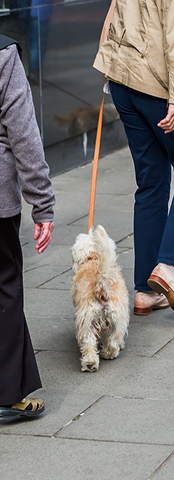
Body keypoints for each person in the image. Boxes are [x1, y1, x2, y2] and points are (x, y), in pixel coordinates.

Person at [94, 0, 174, 316]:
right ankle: (170, 267)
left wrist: (108, 59)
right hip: (159, 85)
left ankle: (147, 292)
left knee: (150, 181)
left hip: (125, 79)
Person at [0, 36, 55, 418]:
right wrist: (42, 203)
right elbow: (24, 135)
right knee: (5, 288)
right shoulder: (3, 55)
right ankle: (6, 394)